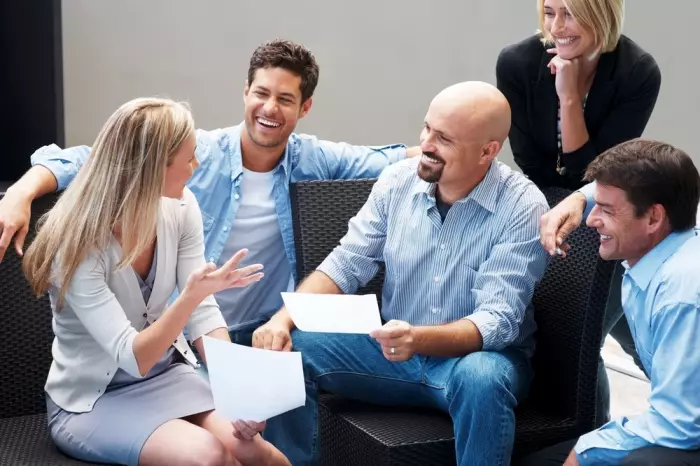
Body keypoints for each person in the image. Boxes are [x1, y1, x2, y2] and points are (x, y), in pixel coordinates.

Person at [0, 38, 419, 347]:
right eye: (261, 93)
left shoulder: (315, 159)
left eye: (285, 99)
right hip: (187, 334)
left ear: (304, 108)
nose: (270, 108)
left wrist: (465, 149)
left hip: (266, 331)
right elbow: (92, 160)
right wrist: (20, 192)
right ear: (245, 92)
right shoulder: (194, 152)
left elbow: (394, 157)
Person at [252, 81, 550, 466]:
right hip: (392, 354)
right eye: (427, 128)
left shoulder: (523, 206)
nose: (426, 143)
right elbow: (346, 263)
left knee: (483, 379)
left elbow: (497, 322)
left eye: (444, 138)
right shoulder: (398, 179)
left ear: (487, 151)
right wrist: (282, 320)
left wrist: (417, 338)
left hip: (472, 362)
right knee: (290, 349)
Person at [21, 97, 289, 466]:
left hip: (170, 376)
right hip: (93, 401)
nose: (196, 167)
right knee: (208, 456)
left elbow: (203, 312)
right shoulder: (78, 244)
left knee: (257, 453)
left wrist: (238, 392)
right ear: (152, 167)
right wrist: (189, 298)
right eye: (189, 158)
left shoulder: (181, 207)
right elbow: (134, 357)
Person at [495, 0, 661, 424]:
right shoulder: (518, 62)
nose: (557, 26)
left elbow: (601, 170)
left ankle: (667, 413)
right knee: (583, 336)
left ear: (602, 13)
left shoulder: (637, 70)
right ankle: (589, 434)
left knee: (599, 336)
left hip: (605, 208)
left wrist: (568, 98)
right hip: (539, 205)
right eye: (550, 12)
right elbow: (531, 162)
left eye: (571, 13)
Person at [521, 138, 700, 465]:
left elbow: (679, 423)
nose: (591, 220)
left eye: (606, 210)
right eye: (596, 205)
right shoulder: (652, 260)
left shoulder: (682, 293)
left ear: (653, 218)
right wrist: (579, 198)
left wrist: (586, 450)